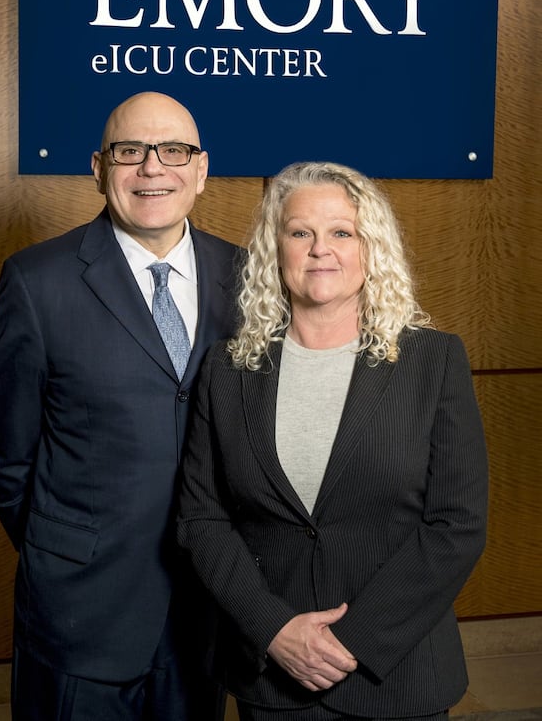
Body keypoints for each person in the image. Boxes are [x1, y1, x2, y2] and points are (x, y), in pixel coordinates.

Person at [176, 161, 488, 721]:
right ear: (275, 251)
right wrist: (273, 629)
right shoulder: (227, 371)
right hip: (274, 675)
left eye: (342, 232)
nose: (321, 249)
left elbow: (456, 524)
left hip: (398, 675)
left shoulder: (433, 361)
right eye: (301, 232)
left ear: (371, 248)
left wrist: (354, 641)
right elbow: (203, 520)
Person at [0, 91, 243, 721]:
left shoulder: (247, 275)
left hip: (206, 607)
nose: (153, 168)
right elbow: (7, 454)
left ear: (201, 171)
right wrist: (60, 546)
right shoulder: (36, 283)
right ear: (98, 168)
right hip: (79, 613)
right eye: (130, 151)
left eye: (173, 150)